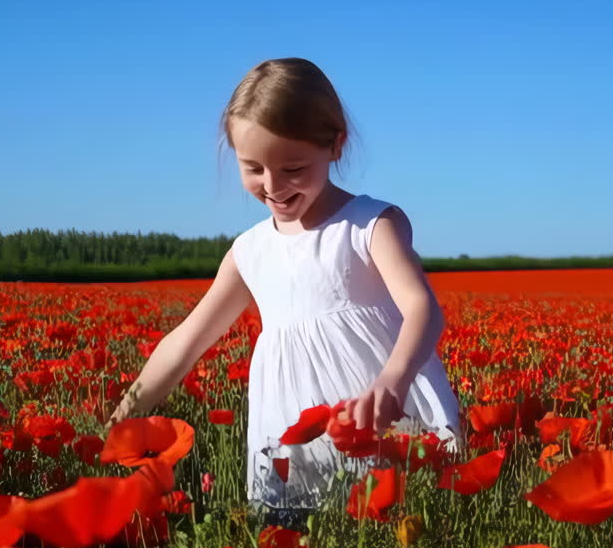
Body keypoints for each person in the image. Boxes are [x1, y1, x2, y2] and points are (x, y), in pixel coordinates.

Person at [107, 57, 462, 517]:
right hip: (291, 438)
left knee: (392, 533)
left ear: (336, 145)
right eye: (253, 168)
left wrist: (392, 381)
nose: (272, 186)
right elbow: (186, 341)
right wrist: (122, 418)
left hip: (379, 419)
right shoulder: (249, 252)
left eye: (292, 168)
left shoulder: (369, 225)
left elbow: (422, 309)